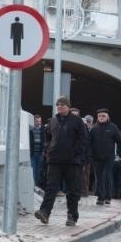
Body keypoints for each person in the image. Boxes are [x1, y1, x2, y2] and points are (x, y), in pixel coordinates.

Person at [35, 97, 88, 226]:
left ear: (68, 106)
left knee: (72, 190)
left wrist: (75, 153)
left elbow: (83, 140)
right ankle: (44, 212)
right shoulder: (53, 121)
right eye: (57, 104)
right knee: (51, 187)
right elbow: (48, 138)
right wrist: (49, 150)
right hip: (54, 160)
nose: (59, 106)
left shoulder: (77, 121)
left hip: (71, 161)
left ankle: (72, 216)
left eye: (62, 104)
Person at [89, 109, 121, 205]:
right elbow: (89, 143)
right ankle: (100, 197)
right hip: (96, 157)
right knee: (99, 178)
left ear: (107, 117)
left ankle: (108, 196)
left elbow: (120, 142)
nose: (101, 117)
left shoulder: (113, 127)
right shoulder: (94, 128)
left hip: (109, 157)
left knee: (107, 176)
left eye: (103, 116)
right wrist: (89, 155)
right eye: (100, 116)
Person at [28, 114, 45, 188]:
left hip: (40, 153)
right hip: (33, 153)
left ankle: (38, 186)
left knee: (39, 170)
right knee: (33, 170)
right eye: (37, 121)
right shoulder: (30, 130)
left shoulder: (43, 129)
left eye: (40, 121)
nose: (39, 123)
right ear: (34, 121)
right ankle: (33, 185)